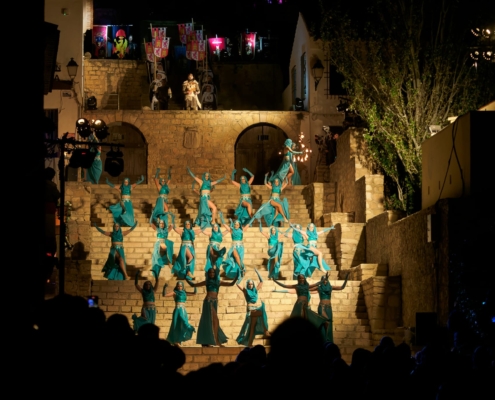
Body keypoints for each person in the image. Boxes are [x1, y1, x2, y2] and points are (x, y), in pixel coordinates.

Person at [185, 267, 239, 346]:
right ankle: (216, 341)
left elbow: (231, 284)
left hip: (215, 302)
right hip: (208, 301)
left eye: (213, 272)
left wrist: (236, 277)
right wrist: (186, 278)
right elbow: (193, 285)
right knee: (215, 320)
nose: (211, 274)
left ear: (215, 273)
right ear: (208, 274)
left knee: (210, 321)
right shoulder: (206, 282)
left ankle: (209, 341)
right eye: (210, 272)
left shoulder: (218, 282)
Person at [236, 269, 270, 347]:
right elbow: (237, 283)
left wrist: (257, 272)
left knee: (252, 327)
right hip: (250, 310)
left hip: (255, 309)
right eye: (249, 284)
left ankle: (250, 343)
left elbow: (261, 281)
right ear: (247, 285)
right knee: (261, 312)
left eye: (251, 284)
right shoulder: (245, 291)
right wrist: (242, 276)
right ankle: (265, 330)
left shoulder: (255, 290)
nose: (250, 285)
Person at [310, 273, 349, 342]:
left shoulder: (330, 287)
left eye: (326, 280)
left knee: (329, 323)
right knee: (325, 321)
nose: (325, 281)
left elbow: (342, 287)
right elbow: (308, 289)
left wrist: (346, 278)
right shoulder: (319, 287)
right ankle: (323, 339)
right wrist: (318, 283)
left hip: (328, 308)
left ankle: (328, 340)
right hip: (322, 307)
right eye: (323, 280)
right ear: (321, 280)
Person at [163, 281, 196, 346]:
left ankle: (179, 340)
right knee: (176, 325)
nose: (179, 287)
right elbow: (164, 295)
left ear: (183, 286)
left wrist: (194, 286)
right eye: (178, 286)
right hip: (178, 310)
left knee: (183, 324)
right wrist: (164, 288)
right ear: (176, 286)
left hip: (183, 310)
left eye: (181, 286)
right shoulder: (175, 292)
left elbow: (194, 293)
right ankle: (175, 341)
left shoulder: (184, 293)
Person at [220, 212, 252, 280]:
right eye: (235, 224)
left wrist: (253, 217)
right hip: (234, 246)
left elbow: (248, 224)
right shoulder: (231, 230)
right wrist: (221, 217)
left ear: (239, 225)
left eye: (237, 224)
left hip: (240, 247)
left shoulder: (242, 230)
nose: (236, 225)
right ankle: (242, 268)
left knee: (238, 260)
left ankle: (238, 272)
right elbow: (224, 224)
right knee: (235, 257)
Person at [171, 215, 202, 280]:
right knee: (191, 257)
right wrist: (173, 219)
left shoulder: (193, 232)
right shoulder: (182, 231)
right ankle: (188, 271)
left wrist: (204, 222)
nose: (187, 225)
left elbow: (202, 229)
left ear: (190, 225)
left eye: (188, 224)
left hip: (191, 247)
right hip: (184, 246)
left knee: (189, 259)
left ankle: (187, 272)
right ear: (184, 225)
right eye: (186, 224)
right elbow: (174, 227)